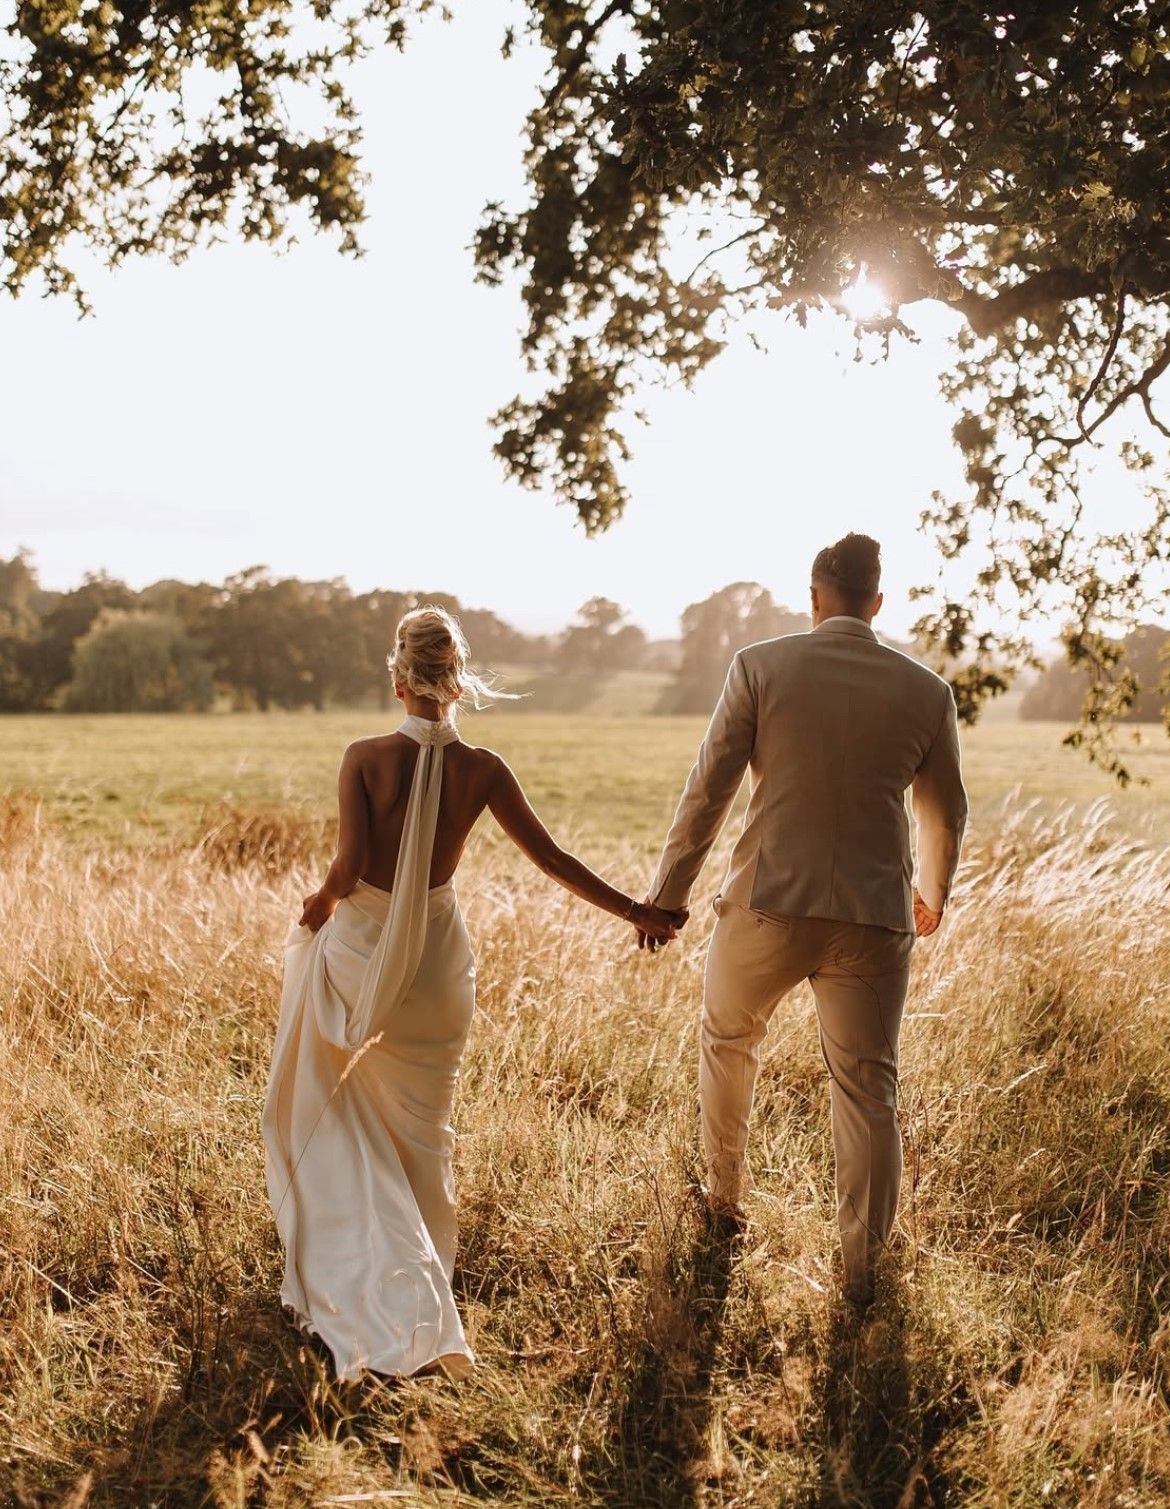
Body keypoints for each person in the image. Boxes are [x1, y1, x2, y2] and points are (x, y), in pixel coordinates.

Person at [262, 605, 680, 1380]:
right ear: (456, 682)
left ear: (398, 680)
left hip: (362, 958)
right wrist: (639, 911)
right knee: (424, 1133)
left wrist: (318, 907)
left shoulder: (362, 757)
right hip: (436, 974)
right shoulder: (483, 768)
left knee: (331, 1110)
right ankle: (425, 1287)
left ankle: (367, 1281)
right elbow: (552, 858)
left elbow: (350, 868)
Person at [640, 533, 968, 1306]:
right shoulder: (926, 691)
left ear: (815, 597)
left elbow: (708, 790)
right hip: (874, 914)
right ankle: (862, 1271)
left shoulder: (761, 665)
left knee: (728, 1038)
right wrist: (935, 892)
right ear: (877, 602)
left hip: (766, 904)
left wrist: (667, 894)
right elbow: (946, 808)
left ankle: (723, 1203)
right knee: (868, 1089)